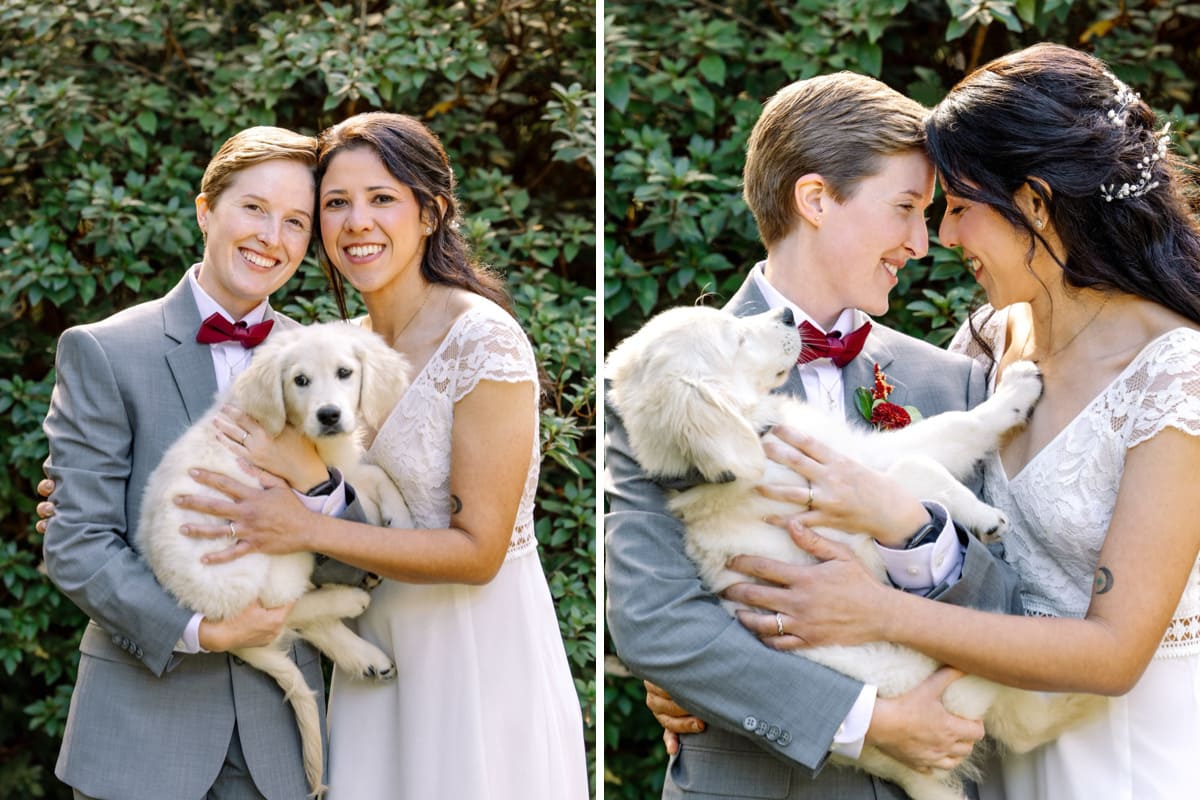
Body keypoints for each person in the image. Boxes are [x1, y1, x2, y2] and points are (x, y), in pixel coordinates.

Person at [720, 44, 1200, 800]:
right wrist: (718, 682)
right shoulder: (983, 344)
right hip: (985, 741)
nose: (941, 238)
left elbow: (1113, 655)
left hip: (1127, 753)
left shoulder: (1175, 373)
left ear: (1035, 204)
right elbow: (910, 541)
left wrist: (873, 613)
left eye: (960, 209)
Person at [605, 72, 1022, 798]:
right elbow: (653, 620)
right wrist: (872, 724)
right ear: (817, 199)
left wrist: (917, 539)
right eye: (904, 209)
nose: (921, 244)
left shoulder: (951, 382)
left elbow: (1005, 610)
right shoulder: (662, 379)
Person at [170, 112, 589, 799]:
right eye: (336, 203)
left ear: (431, 214)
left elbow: (480, 551)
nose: (357, 221)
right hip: (372, 656)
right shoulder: (332, 352)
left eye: (382, 199)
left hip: (475, 655)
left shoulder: (483, 341)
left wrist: (305, 527)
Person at [41, 126, 376, 799]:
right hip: (140, 735)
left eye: (295, 222)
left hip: (282, 743)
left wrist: (317, 490)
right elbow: (76, 542)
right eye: (253, 208)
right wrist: (203, 630)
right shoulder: (106, 352)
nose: (270, 237)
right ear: (205, 210)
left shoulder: (329, 362)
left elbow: (366, 558)